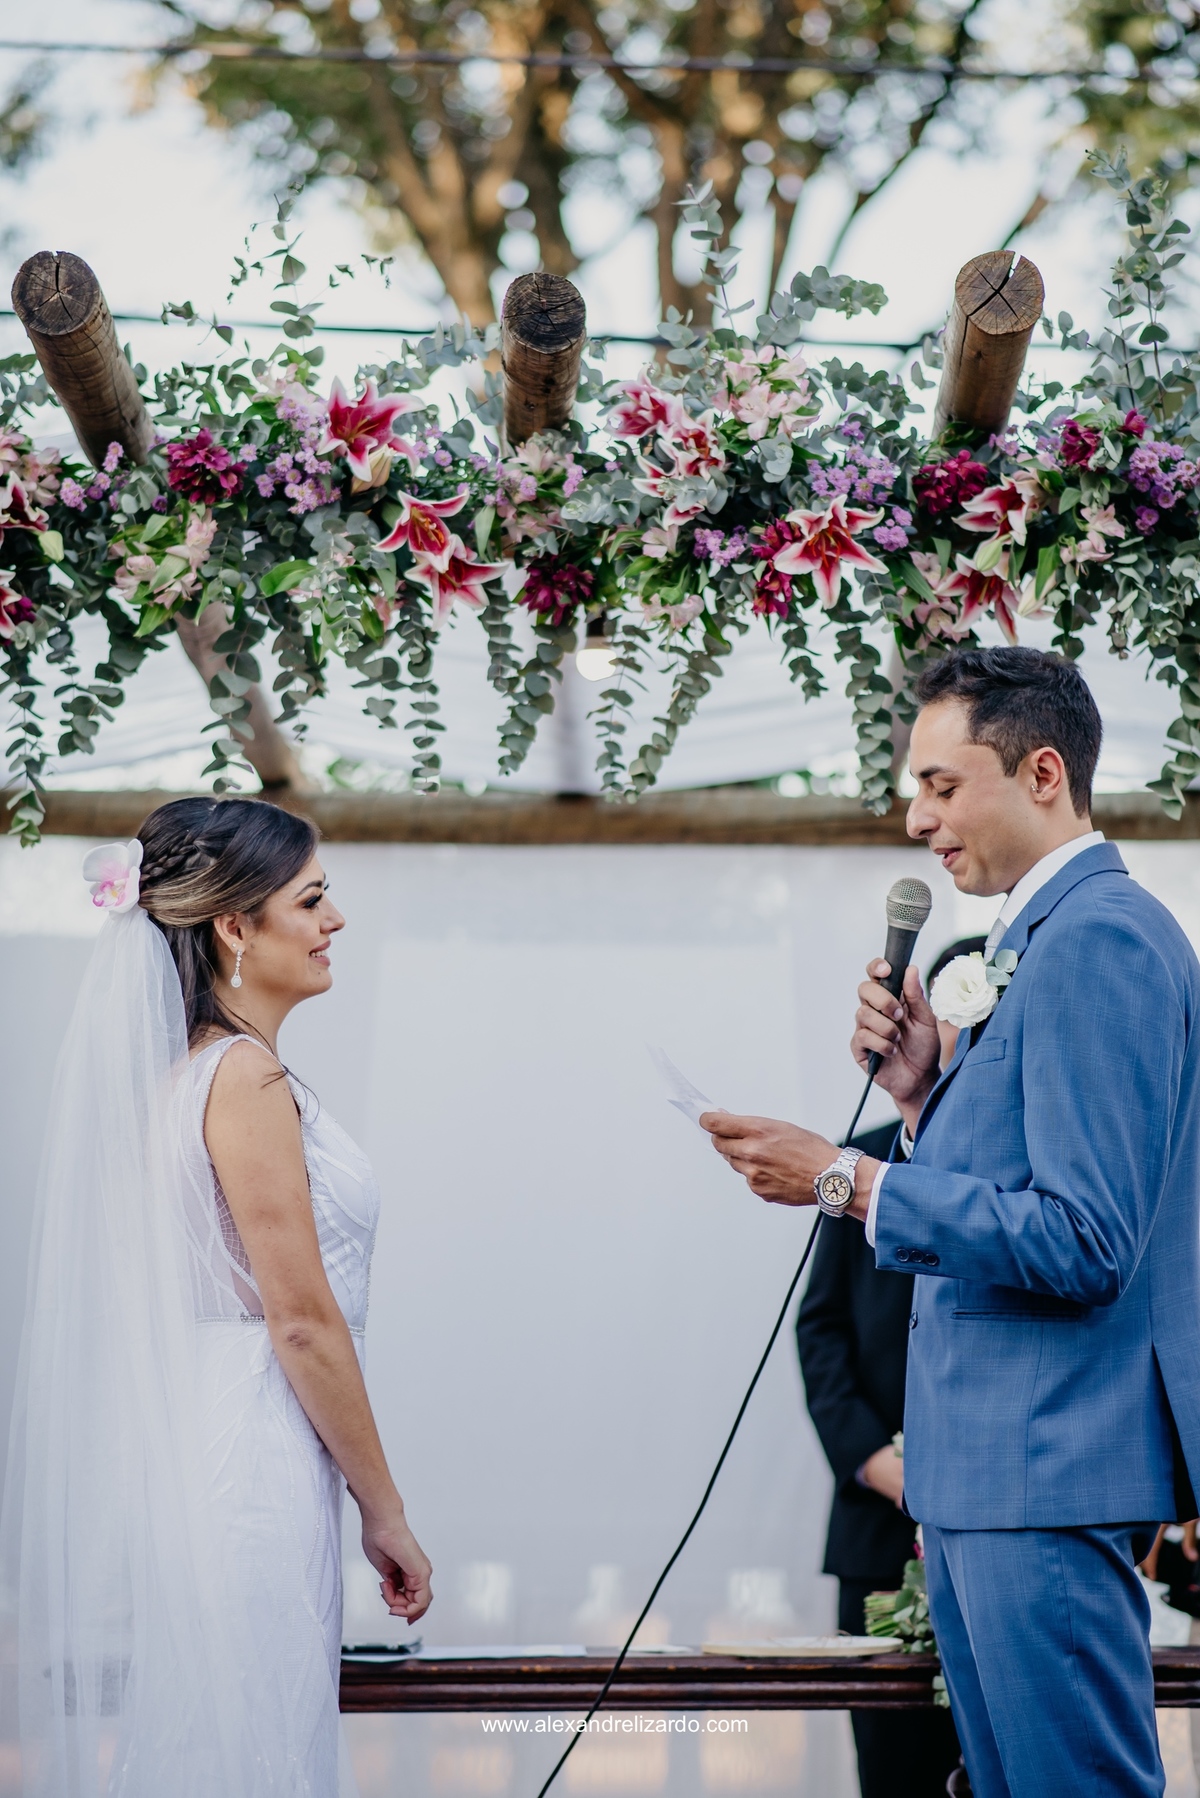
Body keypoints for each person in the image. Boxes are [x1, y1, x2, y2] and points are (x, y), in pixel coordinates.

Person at [700, 646, 1200, 1798]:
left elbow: (1085, 1238)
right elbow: (1032, 1185)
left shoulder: (1101, 936)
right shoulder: (1037, 941)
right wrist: (923, 1103)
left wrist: (848, 1179)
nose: (915, 815)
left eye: (939, 783)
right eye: (910, 786)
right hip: (989, 1475)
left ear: (1039, 772)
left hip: (1048, 1463)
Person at [0, 797, 432, 1796]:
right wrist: (387, 1511)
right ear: (235, 927)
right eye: (313, 899)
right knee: (251, 1750)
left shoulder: (190, 1075)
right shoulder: (242, 1079)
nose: (336, 922)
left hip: (216, 1449)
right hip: (257, 1465)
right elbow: (301, 1317)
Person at [795, 937, 982, 1798]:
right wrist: (879, 1463)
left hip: (997, 1514)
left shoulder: (1031, 1177)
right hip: (879, 1532)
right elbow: (821, 1331)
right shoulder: (856, 1158)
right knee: (895, 1771)